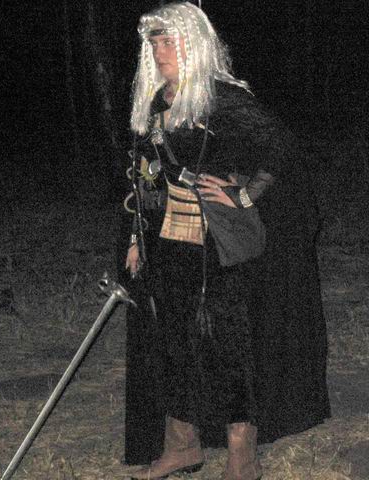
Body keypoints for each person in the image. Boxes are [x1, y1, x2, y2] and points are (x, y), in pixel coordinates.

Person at [119, 2, 329, 479]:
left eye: (169, 41)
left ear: (193, 44)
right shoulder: (155, 103)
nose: (159, 51)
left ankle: (242, 457)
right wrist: (135, 237)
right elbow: (145, 177)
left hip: (218, 246)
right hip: (166, 242)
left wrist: (246, 194)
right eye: (154, 42)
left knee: (227, 346)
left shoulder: (223, 99)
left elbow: (281, 149)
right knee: (172, 342)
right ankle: (182, 446)